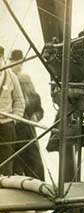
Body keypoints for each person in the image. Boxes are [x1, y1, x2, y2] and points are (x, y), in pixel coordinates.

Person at [8, 49, 45, 180]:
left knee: (35, 166)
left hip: (29, 131)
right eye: (14, 62)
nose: (17, 65)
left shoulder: (26, 80)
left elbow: (39, 109)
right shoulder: (7, 80)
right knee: (14, 166)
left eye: (20, 62)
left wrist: (35, 117)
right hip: (13, 130)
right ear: (10, 62)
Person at [0, 46, 25, 176]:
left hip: (7, 126)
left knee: (7, 161)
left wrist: (13, 120)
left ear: (2, 58)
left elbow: (20, 101)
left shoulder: (11, 76)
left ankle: (4, 191)